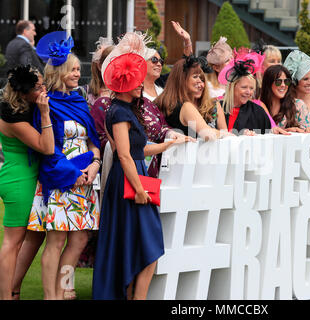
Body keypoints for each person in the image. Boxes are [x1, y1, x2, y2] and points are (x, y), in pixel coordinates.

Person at [92, 32, 191, 300]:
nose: (141, 85)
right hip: (129, 183)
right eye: (136, 81)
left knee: (141, 247)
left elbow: (139, 148)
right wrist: (138, 189)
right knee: (148, 246)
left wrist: (169, 145)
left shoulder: (125, 109)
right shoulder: (118, 112)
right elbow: (124, 155)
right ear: (125, 85)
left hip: (134, 178)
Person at [26, 31, 101, 300]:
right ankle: (51, 296)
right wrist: (73, 174)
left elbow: (93, 139)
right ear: (59, 71)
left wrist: (94, 163)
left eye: (79, 69)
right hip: (61, 177)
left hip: (86, 178)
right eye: (73, 69)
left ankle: (63, 288)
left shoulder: (80, 101)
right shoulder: (46, 104)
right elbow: (48, 148)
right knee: (56, 241)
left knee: (80, 239)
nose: (77, 73)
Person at [0, 65, 54, 300]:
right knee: (12, 242)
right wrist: (44, 114)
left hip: (26, 176)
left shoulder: (21, 105)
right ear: (23, 93)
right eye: (38, 86)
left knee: (35, 235)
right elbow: (47, 147)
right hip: (18, 180)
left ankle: (14, 289)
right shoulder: (13, 118)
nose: (44, 89)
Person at [155, 56, 230, 140]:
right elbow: (208, 134)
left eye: (202, 79)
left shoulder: (213, 106)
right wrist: (229, 135)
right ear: (181, 79)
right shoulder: (184, 106)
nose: (200, 83)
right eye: (195, 77)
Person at [260, 64, 310, 133]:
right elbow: (253, 132)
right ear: (268, 83)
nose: (283, 85)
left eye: (286, 81)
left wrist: (302, 131)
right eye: (278, 82)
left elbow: (305, 134)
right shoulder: (257, 106)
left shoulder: (298, 105)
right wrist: (283, 131)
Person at [219, 59, 272, 135]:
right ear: (231, 86)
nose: (248, 92)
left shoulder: (258, 112)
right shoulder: (217, 108)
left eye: (251, 88)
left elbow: (267, 139)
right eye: (244, 87)